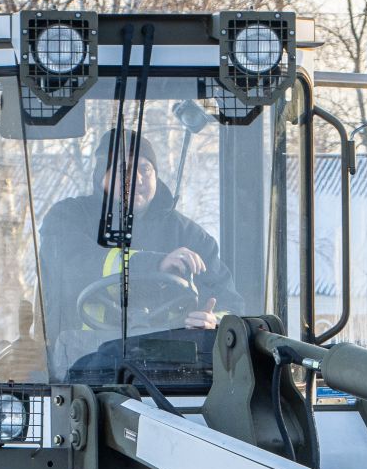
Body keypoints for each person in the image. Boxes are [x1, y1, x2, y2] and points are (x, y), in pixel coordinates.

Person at [38, 129, 239, 342]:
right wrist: (155, 264)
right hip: (84, 357)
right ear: (101, 176)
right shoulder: (67, 217)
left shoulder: (190, 236)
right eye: (122, 169)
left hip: (172, 358)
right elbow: (72, 265)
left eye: (145, 168)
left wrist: (213, 323)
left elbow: (231, 306)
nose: (136, 178)